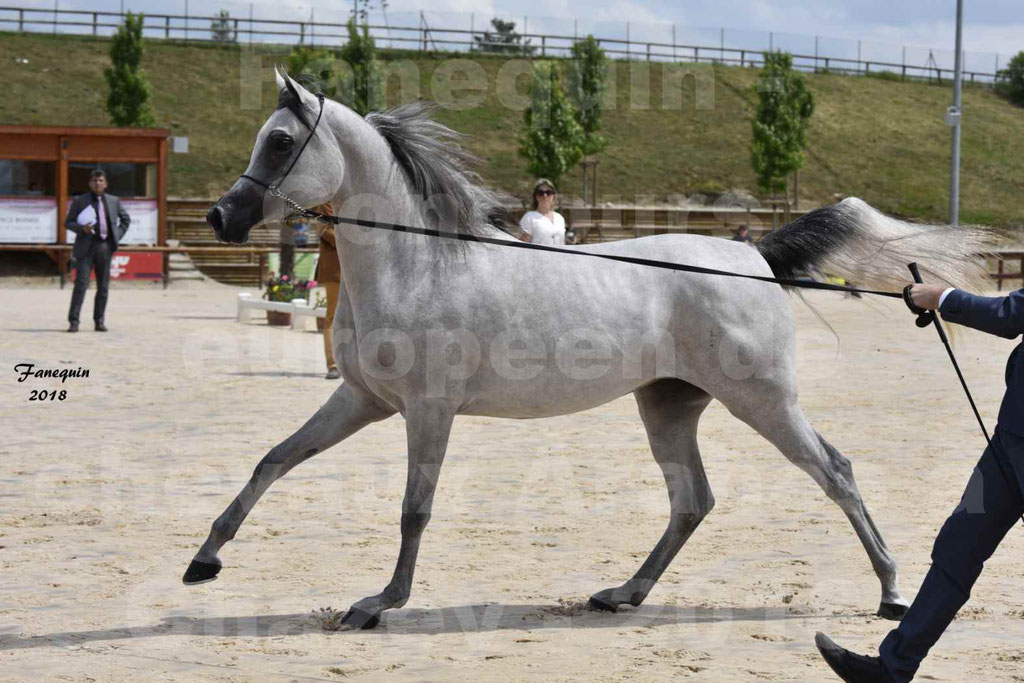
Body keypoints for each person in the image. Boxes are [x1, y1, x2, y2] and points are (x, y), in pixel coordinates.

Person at [816, 284, 1024, 682]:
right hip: (1008, 442)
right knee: (958, 544)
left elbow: (1010, 314)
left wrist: (940, 297)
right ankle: (893, 668)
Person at [66, 169, 131, 332]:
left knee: (103, 286)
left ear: (106, 183)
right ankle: (74, 321)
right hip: (85, 248)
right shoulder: (80, 200)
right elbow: (68, 223)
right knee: (81, 284)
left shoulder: (113, 201)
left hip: (105, 246)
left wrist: (116, 237)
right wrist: (82, 229)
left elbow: (126, 220)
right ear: (90, 183)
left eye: (101, 181)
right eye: (95, 181)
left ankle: (99, 321)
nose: (97, 183)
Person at [312, 204, 341, 380]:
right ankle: (333, 364)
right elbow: (325, 231)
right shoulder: (324, 203)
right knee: (333, 316)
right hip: (334, 270)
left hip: (357, 269)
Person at [519, 179, 566, 245]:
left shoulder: (560, 218)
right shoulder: (529, 217)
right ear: (535, 197)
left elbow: (563, 243)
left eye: (548, 192)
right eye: (540, 193)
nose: (545, 196)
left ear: (554, 196)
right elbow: (522, 246)